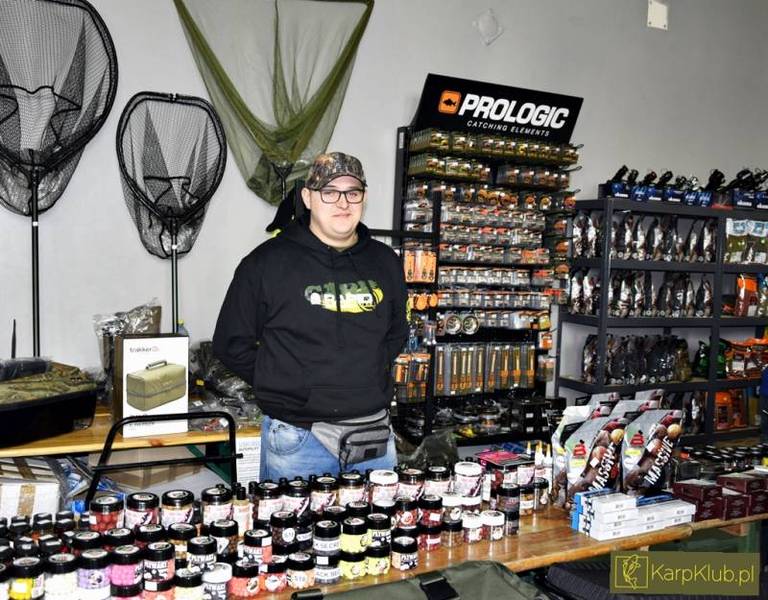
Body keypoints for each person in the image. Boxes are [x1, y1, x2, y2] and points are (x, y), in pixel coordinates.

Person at [213, 152, 409, 482]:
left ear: (363, 197)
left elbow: (396, 333)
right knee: (293, 519)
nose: (343, 202)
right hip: (298, 438)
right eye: (329, 192)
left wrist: (366, 373)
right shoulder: (265, 263)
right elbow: (231, 343)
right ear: (307, 197)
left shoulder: (386, 261)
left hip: (373, 436)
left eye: (352, 192)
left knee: (377, 518)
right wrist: (284, 382)